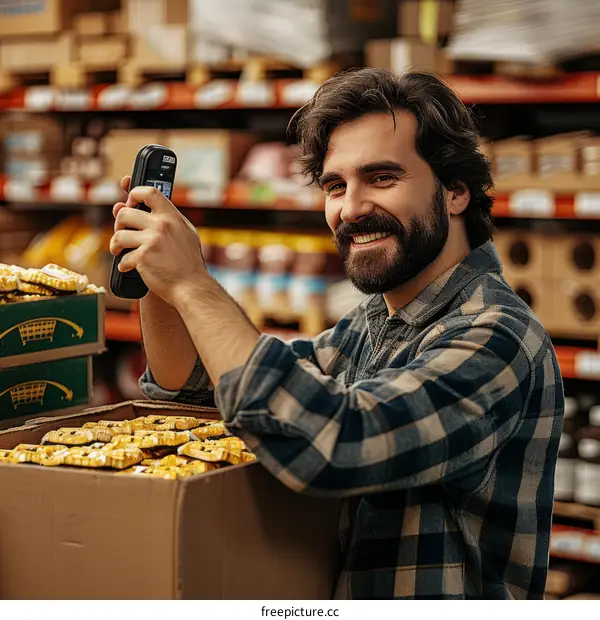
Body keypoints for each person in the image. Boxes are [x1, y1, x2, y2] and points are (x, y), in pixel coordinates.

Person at [109, 68, 564, 600]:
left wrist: (194, 284)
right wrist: (160, 279)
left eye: (383, 178)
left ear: (456, 191)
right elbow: (198, 387)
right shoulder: (370, 326)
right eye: (335, 186)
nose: (351, 209)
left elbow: (335, 443)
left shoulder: (498, 337)